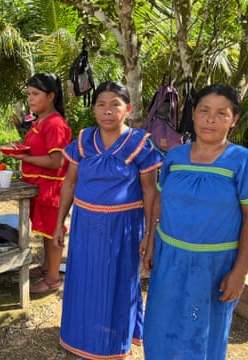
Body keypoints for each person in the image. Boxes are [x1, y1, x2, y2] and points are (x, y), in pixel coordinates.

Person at [142, 84, 248, 359]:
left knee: (205, 332)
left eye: (221, 113)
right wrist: (151, 242)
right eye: (204, 111)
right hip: (170, 258)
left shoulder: (244, 162)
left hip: (215, 266)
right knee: (161, 326)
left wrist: (240, 272)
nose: (211, 119)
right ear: (194, 114)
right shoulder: (175, 156)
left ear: (234, 120)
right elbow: (160, 203)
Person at [53, 81, 164, 359]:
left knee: (118, 282)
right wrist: (59, 223)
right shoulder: (84, 141)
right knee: (84, 279)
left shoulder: (139, 143)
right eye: (101, 104)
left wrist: (149, 236)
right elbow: (69, 183)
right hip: (85, 225)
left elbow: (151, 192)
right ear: (94, 109)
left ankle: (115, 344)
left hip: (123, 228)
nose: (107, 110)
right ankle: (82, 339)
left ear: (128, 108)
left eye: (115, 104)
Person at [6, 73, 71, 294]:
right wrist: (22, 149)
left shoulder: (55, 124)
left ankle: (53, 278)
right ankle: (46, 266)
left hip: (52, 188)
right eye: (28, 95)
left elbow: (57, 161)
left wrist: (24, 158)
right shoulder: (40, 121)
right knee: (45, 231)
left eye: (35, 94)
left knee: (54, 233)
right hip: (38, 186)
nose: (30, 99)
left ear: (51, 96)